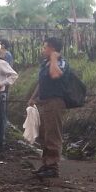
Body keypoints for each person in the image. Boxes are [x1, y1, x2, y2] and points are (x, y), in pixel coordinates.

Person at [28, 37, 67, 179]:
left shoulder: (61, 62)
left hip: (55, 102)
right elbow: (41, 82)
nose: (43, 50)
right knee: (45, 134)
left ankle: (53, 166)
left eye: (45, 48)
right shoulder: (46, 63)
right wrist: (33, 97)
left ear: (52, 48)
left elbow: (55, 74)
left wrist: (54, 59)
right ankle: (46, 163)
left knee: (53, 134)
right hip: (44, 102)